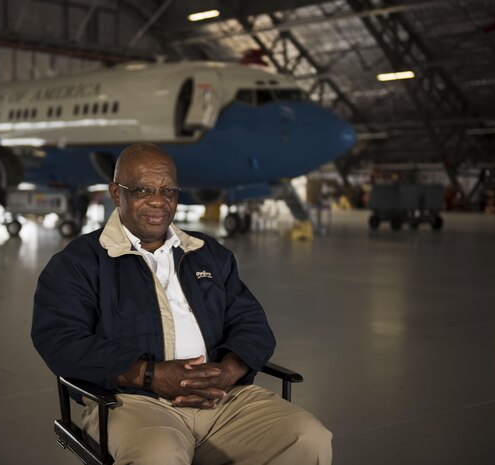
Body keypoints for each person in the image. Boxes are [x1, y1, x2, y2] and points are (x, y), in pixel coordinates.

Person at [31, 143, 332, 465]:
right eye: (143, 190)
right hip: (132, 401)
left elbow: (252, 323)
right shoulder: (79, 262)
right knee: (157, 456)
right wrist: (149, 375)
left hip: (223, 397)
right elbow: (60, 339)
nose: (158, 201)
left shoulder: (208, 253)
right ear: (116, 194)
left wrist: (229, 371)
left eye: (169, 190)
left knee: (307, 437)